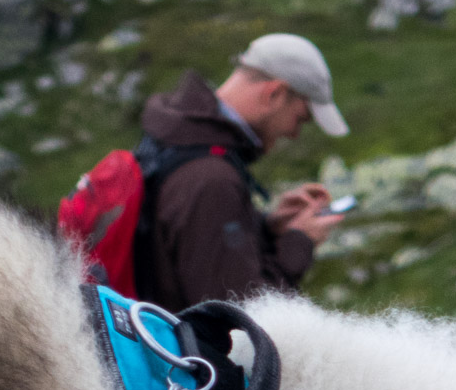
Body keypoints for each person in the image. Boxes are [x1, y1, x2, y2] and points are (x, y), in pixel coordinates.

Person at [136, 33, 349, 311]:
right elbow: (242, 322)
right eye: (300, 118)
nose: (295, 134)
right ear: (275, 93)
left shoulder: (178, 138)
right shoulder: (212, 180)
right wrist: (299, 242)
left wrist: (268, 228)